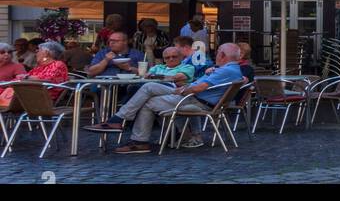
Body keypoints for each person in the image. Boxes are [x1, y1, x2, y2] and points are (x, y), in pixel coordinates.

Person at [88, 41, 247, 153]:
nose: (216, 54)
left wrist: (184, 89)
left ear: (223, 54)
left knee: (148, 91)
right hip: (196, 99)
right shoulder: (230, 69)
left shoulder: (226, 70)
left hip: (194, 101)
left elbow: (200, 87)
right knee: (147, 93)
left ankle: (126, 128)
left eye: (218, 51)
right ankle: (131, 133)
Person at [0, 41, 70, 110]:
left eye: (38, 50)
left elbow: (49, 80)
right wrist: (5, 83)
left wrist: (27, 77)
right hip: (29, 95)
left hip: (41, 97)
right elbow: (20, 79)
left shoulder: (58, 64)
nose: (36, 53)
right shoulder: (39, 67)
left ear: (46, 53)